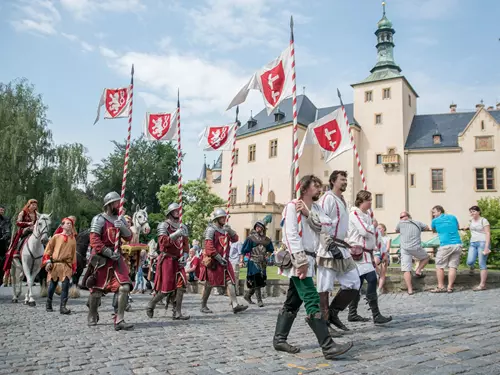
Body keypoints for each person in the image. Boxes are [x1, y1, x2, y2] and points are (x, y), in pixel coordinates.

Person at [272, 174, 353, 360]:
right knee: (311, 299)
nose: (319, 189)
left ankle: (279, 339)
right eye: (316, 186)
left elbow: (328, 224)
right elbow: (290, 234)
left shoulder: (315, 207)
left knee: (293, 301)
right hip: (298, 259)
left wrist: (308, 214)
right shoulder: (292, 206)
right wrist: (300, 262)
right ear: (306, 188)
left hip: (310, 258)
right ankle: (327, 345)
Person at [316, 171, 360, 337]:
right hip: (329, 247)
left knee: (354, 283)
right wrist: (328, 244)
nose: (345, 182)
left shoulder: (342, 200)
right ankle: (324, 323)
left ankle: (333, 314)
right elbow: (319, 223)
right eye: (342, 179)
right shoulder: (327, 198)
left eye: (345, 179)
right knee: (324, 286)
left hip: (342, 247)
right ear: (333, 181)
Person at [84, 191, 134, 331]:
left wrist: (122, 227)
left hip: (117, 259)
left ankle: (119, 319)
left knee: (124, 287)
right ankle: (93, 312)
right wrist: (108, 252)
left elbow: (129, 237)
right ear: (109, 204)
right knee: (97, 290)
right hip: (101, 258)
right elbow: (94, 241)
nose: (119, 204)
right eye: (117, 202)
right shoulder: (99, 219)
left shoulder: (120, 218)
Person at [346, 190, 392, 324]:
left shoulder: (367, 216)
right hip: (358, 254)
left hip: (367, 254)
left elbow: (375, 235)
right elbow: (365, 231)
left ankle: (352, 313)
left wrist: (382, 251)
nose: (371, 202)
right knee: (371, 279)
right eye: (369, 200)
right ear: (361, 201)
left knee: (358, 284)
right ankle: (376, 314)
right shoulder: (354, 214)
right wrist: (373, 226)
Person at [146, 203, 190, 320]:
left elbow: (185, 245)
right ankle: (152, 303)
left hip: (178, 261)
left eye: (178, 210)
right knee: (166, 289)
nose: (177, 212)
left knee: (181, 286)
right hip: (167, 260)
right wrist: (176, 234)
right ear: (170, 212)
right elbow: (163, 243)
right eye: (175, 210)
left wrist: (185, 257)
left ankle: (177, 312)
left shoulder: (183, 227)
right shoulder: (164, 226)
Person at [199, 208, 247, 314]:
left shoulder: (225, 229)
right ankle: (203, 305)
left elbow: (235, 239)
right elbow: (209, 247)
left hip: (225, 261)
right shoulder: (211, 230)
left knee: (230, 281)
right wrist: (219, 258)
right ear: (217, 219)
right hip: (214, 261)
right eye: (222, 217)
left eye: (224, 217)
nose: (224, 219)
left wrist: (229, 230)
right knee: (209, 284)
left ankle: (235, 304)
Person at [42, 217, 77, 314]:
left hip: (66, 265)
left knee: (65, 286)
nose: (69, 225)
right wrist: (48, 261)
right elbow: (48, 250)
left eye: (71, 224)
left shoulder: (73, 239)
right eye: (67, 223)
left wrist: (73, 267)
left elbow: (74, 254)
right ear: (62, 225)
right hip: (56, 264)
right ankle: (48, 303)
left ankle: (63, 307)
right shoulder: (56, 237)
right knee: (53, 285)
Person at [241, 220, 274, 307]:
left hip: (262, 262)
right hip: (253, 261)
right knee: (255, 279)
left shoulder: (266, 240)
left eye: (260, 227)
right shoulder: (250, 238)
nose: (258, 228)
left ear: (263, 228)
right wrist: (241, 261)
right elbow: (244, 250)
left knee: (259, 281)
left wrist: (267, 255)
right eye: (257, 226)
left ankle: (247, 296)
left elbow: (270, 249)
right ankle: (259, 300)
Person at [395, 211, 429, 295]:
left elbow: (396, 230)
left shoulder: (400, 223)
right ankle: (418, 270)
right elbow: (427, 227)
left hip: (405, 248)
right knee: (426, 257)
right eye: (401, 217)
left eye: (402, 217)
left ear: (407, 216)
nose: (401, 218)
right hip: (416, 247)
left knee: (406, 269)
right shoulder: (417, 222)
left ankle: (410, 290)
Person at [430, 205, 462, 293]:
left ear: (439, 211)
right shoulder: (452, 217)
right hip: (457, 244)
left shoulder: (435, 221)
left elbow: (433, 230)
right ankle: (450, 287)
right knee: (453, 266)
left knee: (439, 265)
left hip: (446, 245)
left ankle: (441, 286)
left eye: (434, 212)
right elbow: (457, 227)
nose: (433, 214)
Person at [3, 199, 38, 275]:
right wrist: (28, 224)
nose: (34, 206)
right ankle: (16, 252)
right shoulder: (23, 212)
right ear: (29, 205)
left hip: (34, 231)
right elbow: (18, 223)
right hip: (23, 231)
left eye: (35, 205)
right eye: (33, 205)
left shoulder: (36, 214)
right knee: (15, 244)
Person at [465, 205, 490, 291]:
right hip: (473, 243)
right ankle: (472, 268)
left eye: (474, 211)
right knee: (469, 261)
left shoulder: (484, 220)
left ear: (478, 212)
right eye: (471, 212)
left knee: (481, 263)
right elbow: (473, 228)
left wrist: (486, 247)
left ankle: (482, 285)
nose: (472, 213)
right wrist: (467, 228)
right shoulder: (471, 221)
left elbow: (487, 233)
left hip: (482, 243)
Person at [375, 223, 390, 294]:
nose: (378, 230)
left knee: (383, 272)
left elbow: (387, 248)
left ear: (384, 229)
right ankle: (378, 272)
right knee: (374, 263)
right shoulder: (376, 237)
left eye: (380, 228)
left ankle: (379, 288)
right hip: (377, 254)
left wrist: (383, 254)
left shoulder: (387, 238)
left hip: (384, 254)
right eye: (377, 228)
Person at [0, 205, 11, 286]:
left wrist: (6, 235)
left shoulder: (6, 219)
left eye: (3, 210)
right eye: (0, 210)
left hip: (2, 242)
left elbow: (7, 230)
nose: (1, 211)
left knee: (6, 256)